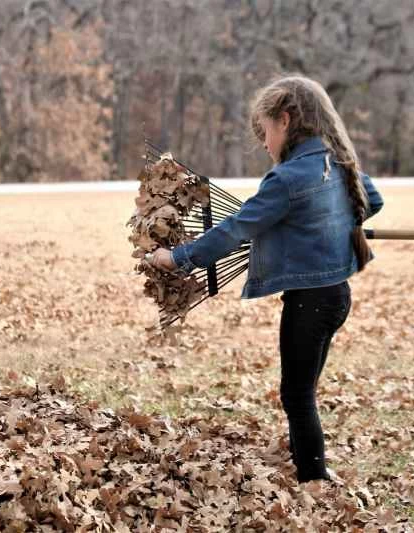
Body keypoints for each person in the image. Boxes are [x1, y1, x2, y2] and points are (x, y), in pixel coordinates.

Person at [148, 75, 384, 483]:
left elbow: (236, 228)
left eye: (266, 130)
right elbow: (372, 201)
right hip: (335, 298)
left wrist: (178, 257)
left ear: (287, 121)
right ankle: (306, 464)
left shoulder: (288, 179)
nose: (264, 142)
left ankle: (314, 479)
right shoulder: (339, 161)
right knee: (303, 389)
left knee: (296, 394)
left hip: (309, 303)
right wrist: (328, 220)